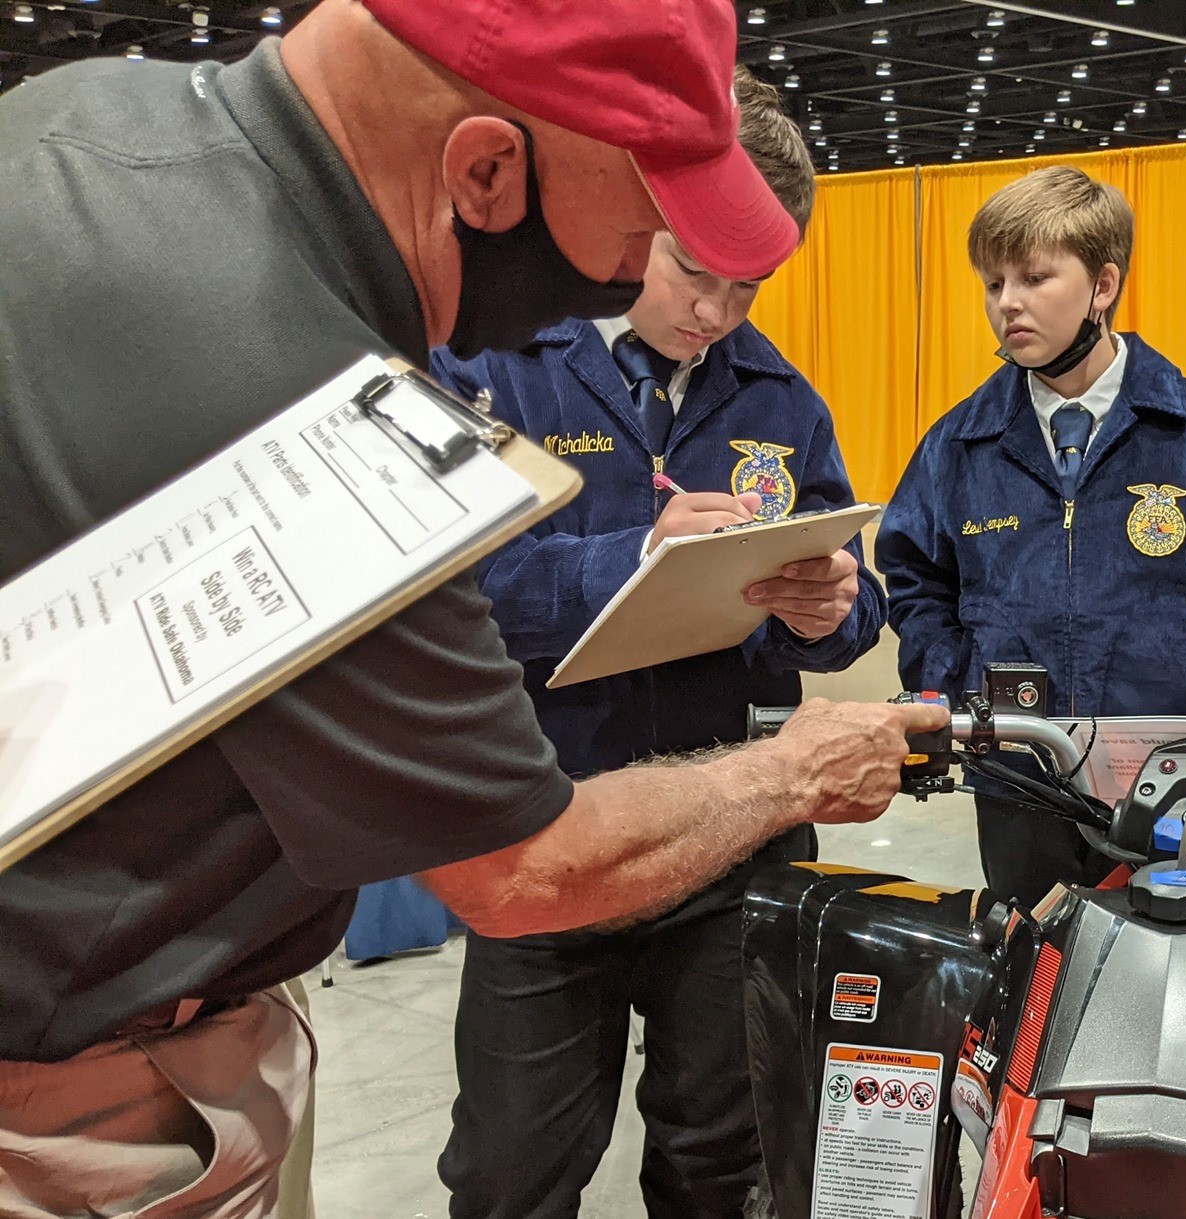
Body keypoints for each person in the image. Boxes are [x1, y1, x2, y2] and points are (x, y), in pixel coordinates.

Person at [0, 2, 944, 1213]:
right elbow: (524, 871)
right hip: (82, 1095)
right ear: (488, 170)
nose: (662, 293)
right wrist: (800, 772)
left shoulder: (77, 120)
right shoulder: (314, 391)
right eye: (648, 246)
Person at [423, 72, 877, 1219]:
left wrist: (834, 611)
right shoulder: (495, 362)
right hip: (547, 835)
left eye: (752, 287)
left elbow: (845, 608)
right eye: (695, 271)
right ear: (637, 217)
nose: (719, 312)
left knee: (724, 1160)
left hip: (728, 836)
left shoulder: (783, 400)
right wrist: (626, 557)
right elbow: (437, 593)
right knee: (511, 1172)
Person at [876, 166, 1186, 911]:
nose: (1007, 303)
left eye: (1033, 277)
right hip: (1018, 776)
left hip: (1170, 775)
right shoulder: (959, 444)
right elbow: (915, 577)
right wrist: (958, 678)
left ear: (1103, 284)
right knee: (1032, 975)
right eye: (993, 283)